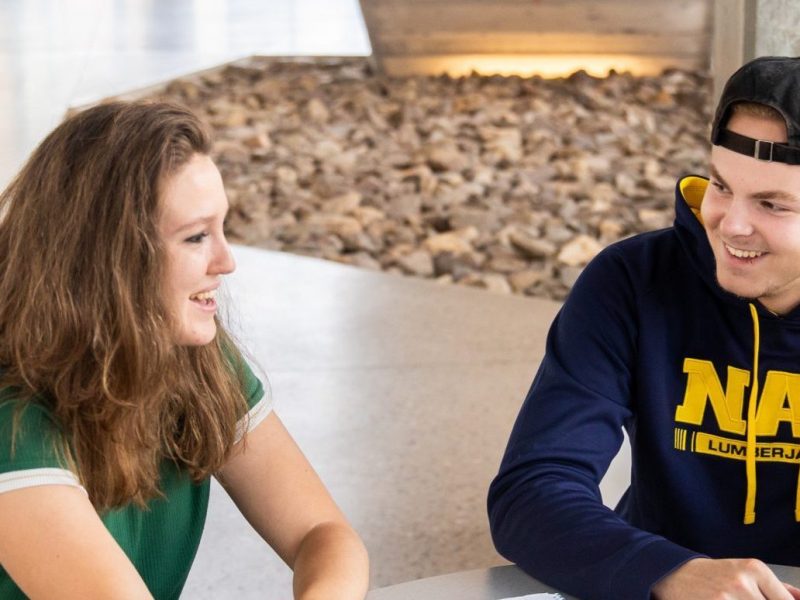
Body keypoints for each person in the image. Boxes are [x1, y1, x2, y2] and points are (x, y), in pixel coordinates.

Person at [0, 100, 369, 599]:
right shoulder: (14, 422)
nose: (227, 260)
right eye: (196, 237)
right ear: (110, 257)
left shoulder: (192, 359)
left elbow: (322, 534)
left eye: (222, 228)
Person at [488, 56, 800, 600]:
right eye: (722, 187)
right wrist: (667, 572)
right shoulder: (632, 281)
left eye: (772, 204)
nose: (731, 224)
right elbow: (532, 491)